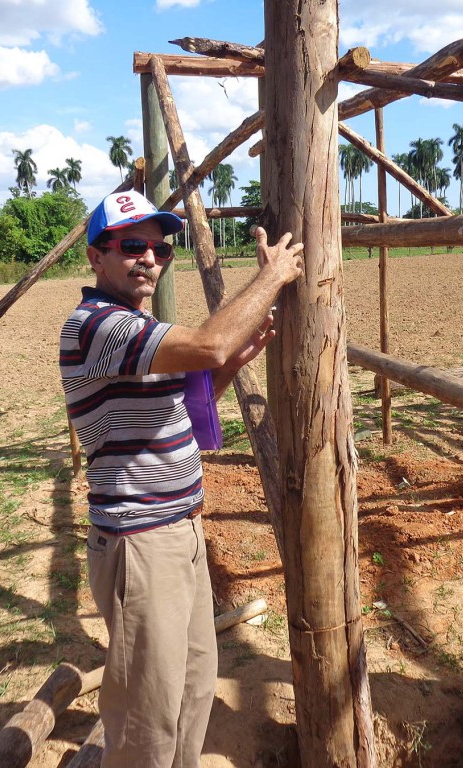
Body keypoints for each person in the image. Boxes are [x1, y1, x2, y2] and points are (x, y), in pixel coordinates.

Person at [59, 189, 304, 767]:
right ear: (96, 258)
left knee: (194, 687)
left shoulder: (137, 327)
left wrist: (227, 369)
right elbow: (211, 342)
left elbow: (178, 413)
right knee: (150, 708)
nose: (149, 258)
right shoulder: (97, 325)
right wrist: (272, 278)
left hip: (181, 533)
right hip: (143, 542)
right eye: (132, 246)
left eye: (159, 248)